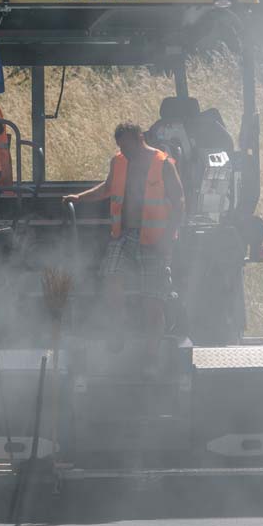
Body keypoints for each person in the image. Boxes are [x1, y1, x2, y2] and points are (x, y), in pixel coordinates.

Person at [63, 122, 184, 357]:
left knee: (153, 303)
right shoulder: (118, 161)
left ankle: (151, 358)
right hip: (124, 236)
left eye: (127, 145)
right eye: (120, 146)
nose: (124, 151)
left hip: (155, 240)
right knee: (111, 279)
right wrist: (79, 197)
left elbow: (179, 201)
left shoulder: (163, 163)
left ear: (140, 138)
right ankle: (117, 331)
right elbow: (107, 188)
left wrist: (170, 237)